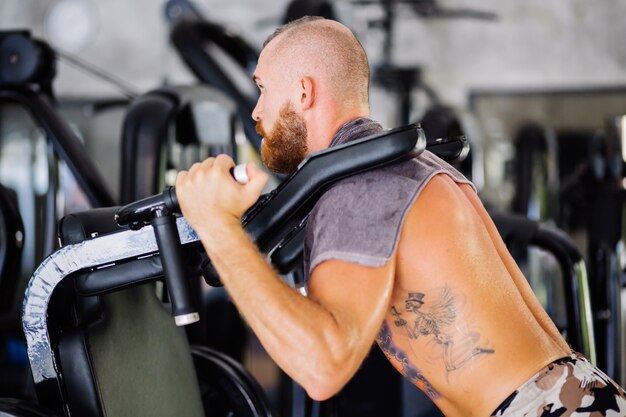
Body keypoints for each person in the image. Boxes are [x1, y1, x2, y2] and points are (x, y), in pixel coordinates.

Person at [176, 16, 626, 417]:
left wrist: (217, 225)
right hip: (566, 396)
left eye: (262, 88)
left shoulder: (359, 185)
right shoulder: (405, 167)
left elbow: (323, 366)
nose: (255, 110)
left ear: (303, 91)